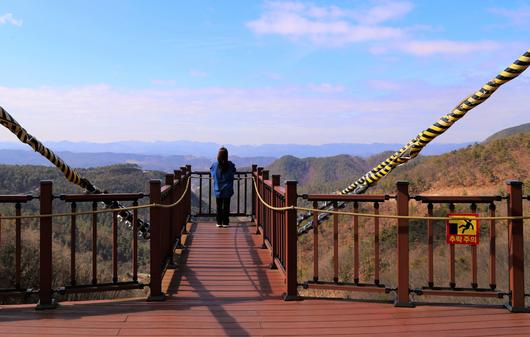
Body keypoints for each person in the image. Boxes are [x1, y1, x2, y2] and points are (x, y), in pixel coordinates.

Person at [210, 147, 236, 228]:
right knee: (226, 206)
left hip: (218, 189)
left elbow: (212, 172)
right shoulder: (230, 165)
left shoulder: (215, 165)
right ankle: (225, 222)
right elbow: (234, 171)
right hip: (227, 189)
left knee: (219, 206)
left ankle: (219, 222)